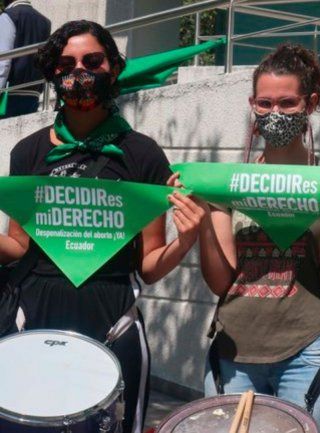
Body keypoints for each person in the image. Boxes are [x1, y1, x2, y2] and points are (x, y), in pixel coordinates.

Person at [0, 20, 204, 433]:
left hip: (112, 320)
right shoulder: (28, 151)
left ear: (113, 67)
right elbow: (18, 247)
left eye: (92, 60)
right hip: (33, 318)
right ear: (52, 74)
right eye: (66, 63)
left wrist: (186, 240)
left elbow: (148, 265)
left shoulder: (142, 154)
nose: (79, 70)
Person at [197, 43, 320, 433]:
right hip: (233, 353)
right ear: (252, 103)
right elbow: (220, 281)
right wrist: (200, 214)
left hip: (309, 350)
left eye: (287, 103)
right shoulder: (226, 185)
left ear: (310, 102)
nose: (275, 113)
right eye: (264, 104)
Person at [0, 0, 50, 118]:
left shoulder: (8, 16)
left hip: (9, 93)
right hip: (34, 93)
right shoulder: (44, 21)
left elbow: (3, 60)